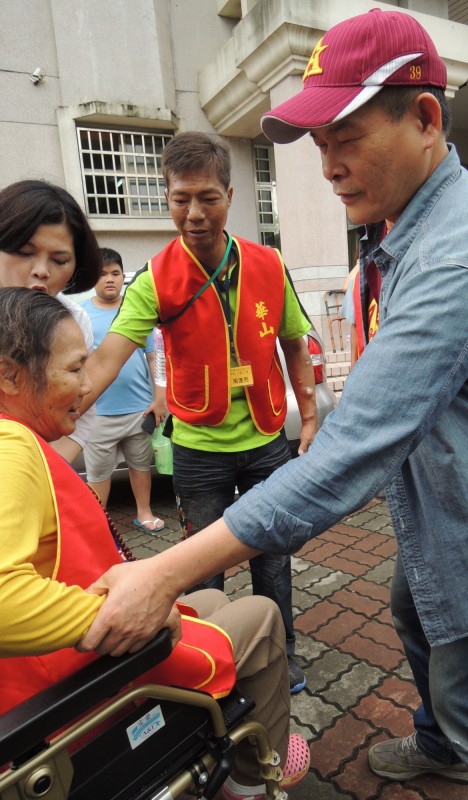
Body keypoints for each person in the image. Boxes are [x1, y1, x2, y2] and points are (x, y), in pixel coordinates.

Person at [77, 9, 468, 800]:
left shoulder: (458, 256)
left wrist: (163, 575)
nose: (328, 167)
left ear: (423, 118)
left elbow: (348, 455)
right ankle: (439, 743)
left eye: (345, 138)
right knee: (414, 611)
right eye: (319, 146)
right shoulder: (404, 226)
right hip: (444, 485)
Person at [0, 287, 309, 800]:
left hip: (48, 666)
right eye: (75, 370)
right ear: (10, 374)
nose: (87, 386)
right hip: (72, 692)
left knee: (208, 599)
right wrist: (124, 614)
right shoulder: (11, 453)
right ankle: (256, 774)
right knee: (262, 615)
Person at [74, 131, 317, 694]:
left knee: (272, 555)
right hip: (199, 446)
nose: (194, 213)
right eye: (180, 198)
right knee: (204, 565)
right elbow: (108, 358)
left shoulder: (268, 262)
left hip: (264, 438)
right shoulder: (154, 279)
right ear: (167, 198)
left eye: (207, 197)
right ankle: (212, 659)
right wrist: (47, 412)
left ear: (230, 196)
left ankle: (281, 652)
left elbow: (295, 344)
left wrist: (309, 416)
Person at [0, 179, 101, 463]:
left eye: (59, 260)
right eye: (24, 252)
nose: (41, 271)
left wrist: (47, 470)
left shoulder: (73, 321)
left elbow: (81, 410)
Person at [82, 247, 165, 532]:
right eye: (103, 274)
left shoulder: (136, 311)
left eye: (115, 273)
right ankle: (98, 525)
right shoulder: (82, 315)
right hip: (98, 412)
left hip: (139, 409)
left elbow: (154, 357)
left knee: (141, 466)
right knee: (98, 474)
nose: (109, 279)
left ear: (123, 278)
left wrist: (158, 398)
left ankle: (144, 513)